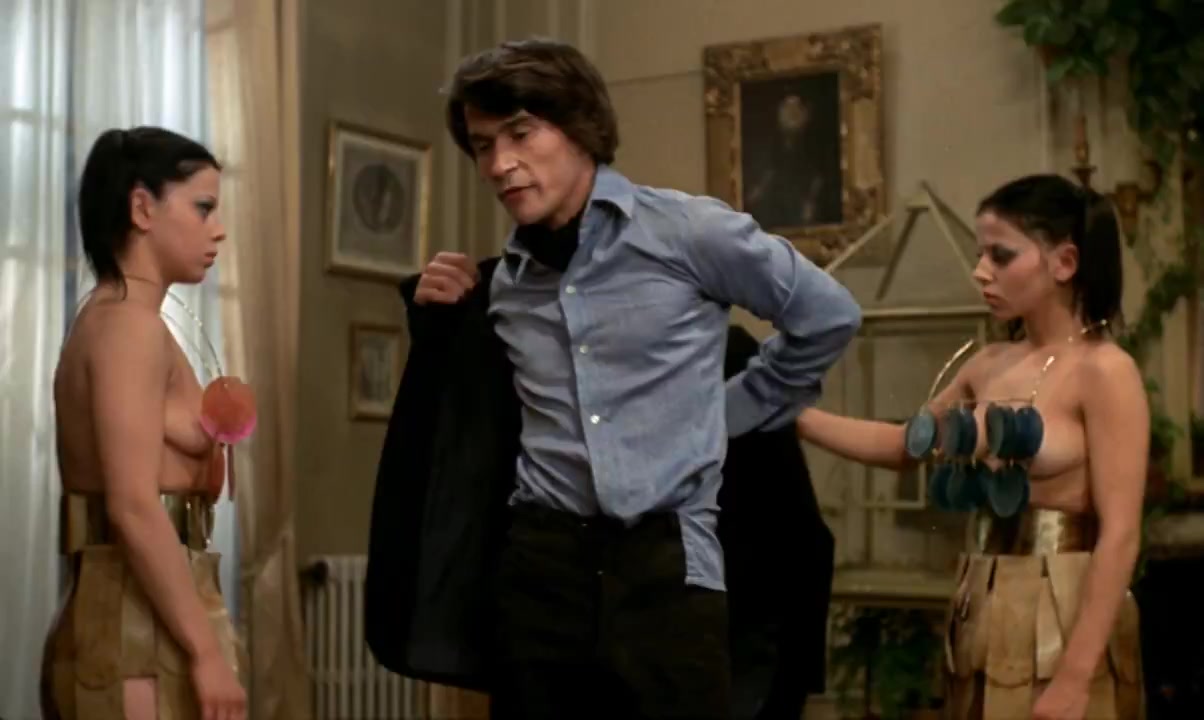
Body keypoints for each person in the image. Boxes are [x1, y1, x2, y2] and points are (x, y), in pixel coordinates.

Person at [363, 37, 861, 720]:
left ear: (580, 127)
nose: (500, 164)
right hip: (539, 569)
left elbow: (828, 316)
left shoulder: (689, 233)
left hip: (668, 566)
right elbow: (469, 423)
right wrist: (437, 323)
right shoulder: (503, 287)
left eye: (520, 134)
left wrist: (731, 412)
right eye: (483, 146)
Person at [795, 174, 1147, 720]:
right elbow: (905, 444)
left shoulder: (1105, 371)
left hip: (1067, 609)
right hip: (982, 599)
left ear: (1064, 263)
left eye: (1001, 256)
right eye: (981, 254)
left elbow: (1121, 534)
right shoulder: (987, 364)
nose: (981, 271)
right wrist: (796, 417)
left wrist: (1075, 677)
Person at [41, 127, 246, 720]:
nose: (218, 229)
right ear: (141, 208)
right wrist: (206, 653)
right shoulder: (127, 327)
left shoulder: (132, 321)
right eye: (203, 207)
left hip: (147, 618)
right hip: (131, 630)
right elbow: (132, 504)